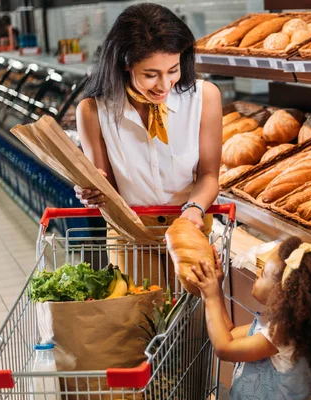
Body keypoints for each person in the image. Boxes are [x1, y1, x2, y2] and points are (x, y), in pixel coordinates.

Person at [73, 3, 222, 286]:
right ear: (125, 64)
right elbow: (106, 189)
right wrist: (90, 191)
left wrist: (194, 209)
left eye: (173, 70)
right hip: (130, 233)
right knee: (138, 322)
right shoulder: (93, 112)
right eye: (150, 74)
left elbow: (209, 175)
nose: (164, 85)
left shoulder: (205, 99)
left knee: (193, 323)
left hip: (190, 226)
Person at [190, 237, 311, 399]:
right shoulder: (290, 326)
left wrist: (213, 297)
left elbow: (225, 348)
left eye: (263, 273)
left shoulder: (284, 336)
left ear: (283, 295)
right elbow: (229, 334)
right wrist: (217, 286)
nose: (257, 273)